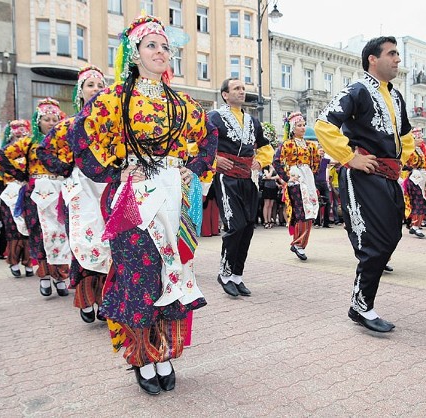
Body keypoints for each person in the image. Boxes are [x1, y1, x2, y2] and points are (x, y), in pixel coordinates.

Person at [65, 15, 217, 395]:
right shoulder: (116, 97)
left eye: (165, 47)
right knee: (138, 277)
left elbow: (209, 134)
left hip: (171, 197)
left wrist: (193, 168)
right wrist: (113, 171)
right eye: (152, 45)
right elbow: (78, 133)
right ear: (133, 54)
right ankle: (142, 356)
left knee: (172, 272)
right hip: (134, 199)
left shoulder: (181, 101)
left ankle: (163, 350)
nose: (161, 52)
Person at [314, 36, 414, 332]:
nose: (398, 59)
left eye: (398, 54)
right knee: (374, 241)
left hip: (388, 176)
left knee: (392, 236)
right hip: (364, 176)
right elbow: (324, 124)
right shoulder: (357, 89)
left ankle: (362, 303)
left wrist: (399, 163)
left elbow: (405, 136)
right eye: (392, 53)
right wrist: (349, 157)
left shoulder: (395, 96)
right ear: (372, 58)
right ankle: (361, 305)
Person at [37, 65, 111, 323]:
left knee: (110, 243)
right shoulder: (69, 125)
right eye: (90, 85)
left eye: (101, 85)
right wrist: (65, 168)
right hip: (81, 190)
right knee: (83, 242)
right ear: (80, 92)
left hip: (108, 188)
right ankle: (85, 298)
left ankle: (106, 298)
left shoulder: (111, 125)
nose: (97, 90)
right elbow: (43, 151)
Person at [0, 98, 70, 297]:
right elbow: (1, 155)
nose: (51, 122)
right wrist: (20, 174)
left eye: (55, 118)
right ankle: (45, 277)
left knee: (60, 233)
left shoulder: (64, 142)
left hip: (60, 191)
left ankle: (60, 277)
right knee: (38, 233)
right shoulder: (29, 143)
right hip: (35, 193)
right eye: (47, 119)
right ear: (38, 121)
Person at [209, 78, 273, 297]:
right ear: (225, 94)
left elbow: (265, 146)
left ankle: (237, 275)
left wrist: (261, 161)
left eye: (243, 89)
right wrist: (214, 159)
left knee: (247, 227)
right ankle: (224, 273)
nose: (241, 92)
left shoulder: (252, 121)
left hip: (248, 177)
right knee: (234, 225)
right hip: (226, 178)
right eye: (236, 88)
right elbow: (196, 143)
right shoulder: (214, 117)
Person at [272, 112, 320, 260]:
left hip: (307, 179)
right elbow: (276, 161)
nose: (303, 127)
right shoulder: (287, 144)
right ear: (293, 128)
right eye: (299, 125)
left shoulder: (310, 145)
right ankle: (298, 243)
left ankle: (300, 243)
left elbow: (315, 165)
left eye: (304, 125)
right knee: (301, 211)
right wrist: (287, 177)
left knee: (310, 210)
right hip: (295, 180)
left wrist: (311, 175)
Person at [0, 120, 33, 277]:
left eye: (23, 135)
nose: (20, 139)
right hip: (10, 194)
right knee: (13, 230)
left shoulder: (31, 150)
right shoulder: (5, 155)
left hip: (28, 192)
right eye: (17, 136)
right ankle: (13, 261)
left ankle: (29, 262)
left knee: (30, 228)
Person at [402, 128, 426, 238]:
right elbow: (406, 163)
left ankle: (416, 224)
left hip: (422, 177)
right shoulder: (409, 150)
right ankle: (415, 225)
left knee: (422, 201)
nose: (421, 139)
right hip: (414, 178)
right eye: (418, 137)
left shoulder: (422, 150)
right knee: (418, 201)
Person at [313, 147, 332, 228]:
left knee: (328, 202)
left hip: (324, 183)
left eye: (323, 151)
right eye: (320, 151)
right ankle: (317, 222)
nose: (322, 152)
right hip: (316, 183)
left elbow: (334, 162)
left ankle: (326, 223)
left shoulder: (325, 160)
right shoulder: (314, 161)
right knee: (317, 202)